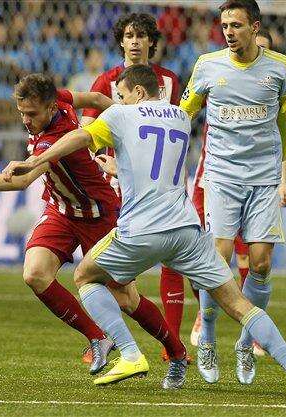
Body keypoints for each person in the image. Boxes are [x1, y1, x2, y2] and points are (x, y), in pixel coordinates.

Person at [2, 64, 286, 399]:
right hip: (186, 231)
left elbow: (79, 137)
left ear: (138, 92)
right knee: (240, 304)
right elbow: (153, 162)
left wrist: (35, 161)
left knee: (85, 277)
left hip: (141, 230)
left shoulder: (120, 116)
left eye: (122, 96)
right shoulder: (181, 118)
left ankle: (129, 353)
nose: (118, 102)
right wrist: (121, 168)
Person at [0, 74, 187, 377]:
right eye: (22, 113)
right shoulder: (61, 99)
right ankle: (98, 337)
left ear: (51, 108)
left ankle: (176, 351)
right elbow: (95, 99)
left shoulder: (54, 140)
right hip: (61, 211)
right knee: (35, 273)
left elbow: (22, 181)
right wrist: (121, 117)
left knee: (125, 298)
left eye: (32, 114)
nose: (25, 120)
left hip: (98, 215)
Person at [179, 0, 286, 385]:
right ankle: (208, 335)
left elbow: (284, 121)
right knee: (219, 257)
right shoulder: (207, 66)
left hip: (262, 176)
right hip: (222, 175)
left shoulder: (280, 68)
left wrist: (282, 167)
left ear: (255, 27)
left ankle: (246, 341)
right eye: (225, 25)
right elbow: (184, 113)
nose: (229, 32)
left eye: (237, 25)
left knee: (260, 264)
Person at [81, 12, 187, 363]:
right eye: (129, 35)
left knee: (171, 260)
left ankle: (171, 346)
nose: (136, 41)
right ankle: (106, 336)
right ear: (122, 42)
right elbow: (87, 132)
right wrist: (101, 164)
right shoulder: (106, 81)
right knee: (113, 274)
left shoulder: (169, 81)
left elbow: (178, 128)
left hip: (161, 185)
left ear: (152, 42)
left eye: (142, 36)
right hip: (117, 186)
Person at [189, 28, 277, 355]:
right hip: (214, 179)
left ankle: (251, 330)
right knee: (212, 256)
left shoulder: (273, 83)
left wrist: (281, 180)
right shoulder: (218, 73)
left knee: (254, 259)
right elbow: (186, 110)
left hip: (257, 179)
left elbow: (283, 133)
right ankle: (204, 317)